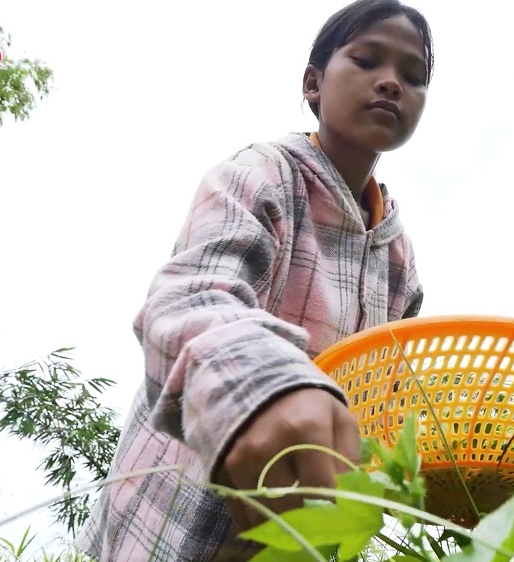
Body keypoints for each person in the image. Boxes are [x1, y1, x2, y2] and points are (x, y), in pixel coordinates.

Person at [74, 0, 434, 560]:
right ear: (313, 84)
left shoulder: (399, 260)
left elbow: (384, 400)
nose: (391, 82)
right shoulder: (261, 175)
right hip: (173, 514)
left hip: (293, 536)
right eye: (367, 61)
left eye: (413, 76)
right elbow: (192, 298)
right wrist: (266, 387)